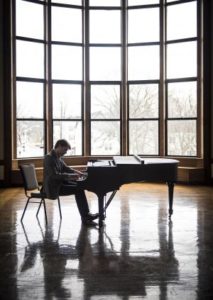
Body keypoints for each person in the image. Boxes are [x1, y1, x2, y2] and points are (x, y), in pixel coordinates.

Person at [43, 139, 99, 226]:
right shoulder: (49, 158)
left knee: (79, 186)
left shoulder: (57, 156)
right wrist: (70, 176)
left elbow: (67, 168)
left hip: (60, 184)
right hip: (53, 188)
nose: (65, 153)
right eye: (65, 150)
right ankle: (86, 217)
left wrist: (78, 173)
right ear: (59, 146)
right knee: (79, 189)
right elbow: (53, 176)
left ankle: (86, 216)